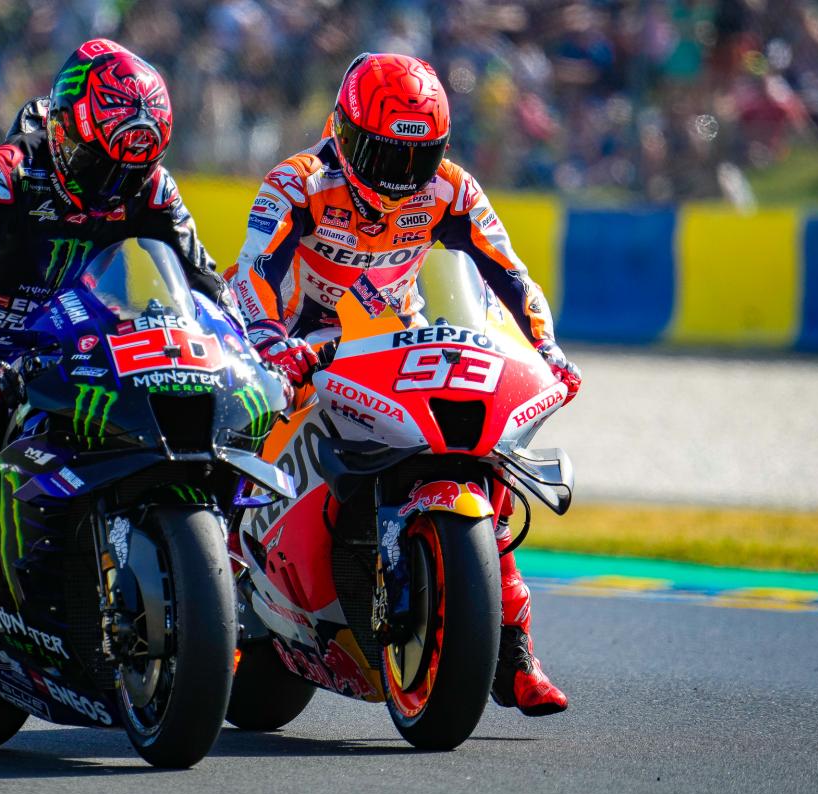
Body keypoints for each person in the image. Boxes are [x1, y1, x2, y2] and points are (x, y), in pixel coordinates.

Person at [0, 38, 232, 762]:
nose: (115, 184)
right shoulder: (1, 177)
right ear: (65, 131)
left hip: (98, 352)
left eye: (132, 168)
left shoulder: (152, 187)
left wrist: (244, 349)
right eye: (102, 165)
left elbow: (204, 285)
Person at [228, 52, 580, 716]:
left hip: (390, 339)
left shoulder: (450, 188)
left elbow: (510, 275)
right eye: (381, 153)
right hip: (294, 340)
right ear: (342, 131)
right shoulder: (298, 182)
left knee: (483, 452)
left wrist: (547, 349)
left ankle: (512, 647)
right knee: (237, 413)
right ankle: (214, 578)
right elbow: (253, 271)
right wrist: (271, 341)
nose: (397, 176)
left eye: (414, 159)